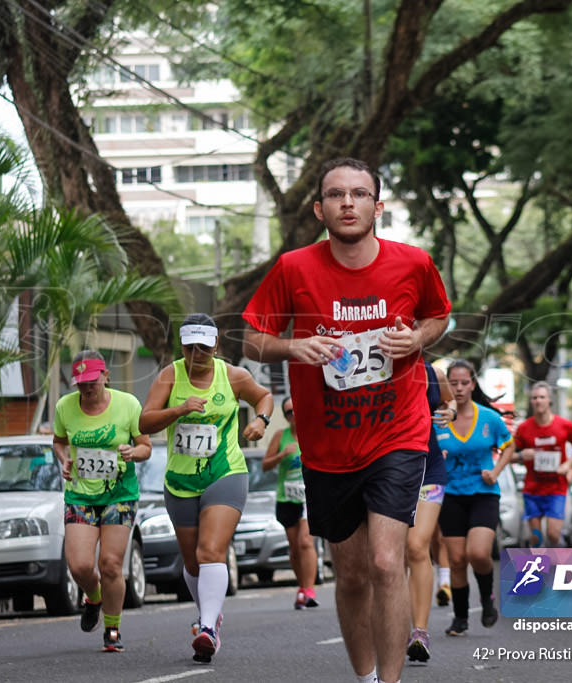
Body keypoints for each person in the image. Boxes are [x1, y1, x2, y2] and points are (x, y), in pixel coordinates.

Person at [242, 157, 451, 683]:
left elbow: (439, 317)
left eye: (360, 194)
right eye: (336, 194)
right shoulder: (293, 268)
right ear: (319, 208)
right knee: (353, 573)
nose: (348, 203)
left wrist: (417, 340)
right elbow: (253, 340)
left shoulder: (413, 263)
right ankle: (365, 677)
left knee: (387, 561)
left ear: (378, 206)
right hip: (327, 446)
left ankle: (391, 680)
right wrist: (296, 346)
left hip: (398, 433)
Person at [140, 313, 273, 664]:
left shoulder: (234, 376)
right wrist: (179, 409)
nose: (197, 353)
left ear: (216, 345)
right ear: (181, 345)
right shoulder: (171, 375)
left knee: (210, 550)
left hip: (225, 472)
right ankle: (210, 615)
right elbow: (144, 420)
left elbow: (264, 398)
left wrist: (261, 420)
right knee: (192, 560)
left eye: (204, 346)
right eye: (189, 346)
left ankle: (209, 629)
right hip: (181, 479)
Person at [52, 350, 152, 653]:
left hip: (119, 494)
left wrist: (132, 453)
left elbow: (145, 446)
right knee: (80, 565)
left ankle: (112, 627)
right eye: (80, 383)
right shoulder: (64, 407)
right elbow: (59, 441)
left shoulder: (128, 405)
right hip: (81, 494)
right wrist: (64, 459)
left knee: (110, 564)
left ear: (105, 376)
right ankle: (93, 597)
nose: (86, 388)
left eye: (92, 381)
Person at [435, 359, 514, 637]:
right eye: (453, 383)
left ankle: (486, 598)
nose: (458, 388)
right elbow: (425, 453)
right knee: (456, 560)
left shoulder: (489, 418)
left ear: (473, 384)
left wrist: (495, 470)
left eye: (464, 383)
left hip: (483, 493)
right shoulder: (439, 420)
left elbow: (508, 447)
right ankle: (460, 618)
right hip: (450, 496)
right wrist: (437, 458)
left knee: (478, 553)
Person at [405, 361, 455, 662]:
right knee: (393, 556)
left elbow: (449, 403)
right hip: (389, 470)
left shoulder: (433, 373)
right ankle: (394, 625)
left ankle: (419, 632)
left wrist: (449, 413)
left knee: (416, 545)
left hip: (429, 468)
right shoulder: (372, 366)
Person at [261, 396, 320, 610]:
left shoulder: (313, 433)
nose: (294, 415)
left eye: (296, 410)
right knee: (295, 547)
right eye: (289, 412)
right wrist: (280, 456)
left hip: (309, 496)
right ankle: (301, 587)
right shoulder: (281, 436)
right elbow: (265, 465)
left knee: (306, 541)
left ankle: (310, 589)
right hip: (287, 496)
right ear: (285, 417)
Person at [514, 381, 572, 547]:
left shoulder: (564, 425)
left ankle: (557, 567)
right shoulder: (523, 428)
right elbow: (508, 455)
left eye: (542, 397)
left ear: (549, 400)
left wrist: (569, 464)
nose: (538, 401)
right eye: (534, 398)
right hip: (532, 489)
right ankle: (541, 571)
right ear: (531, 401)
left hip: (556, 488)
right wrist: (522, 455)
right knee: (536, 538)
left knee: (553, 534)